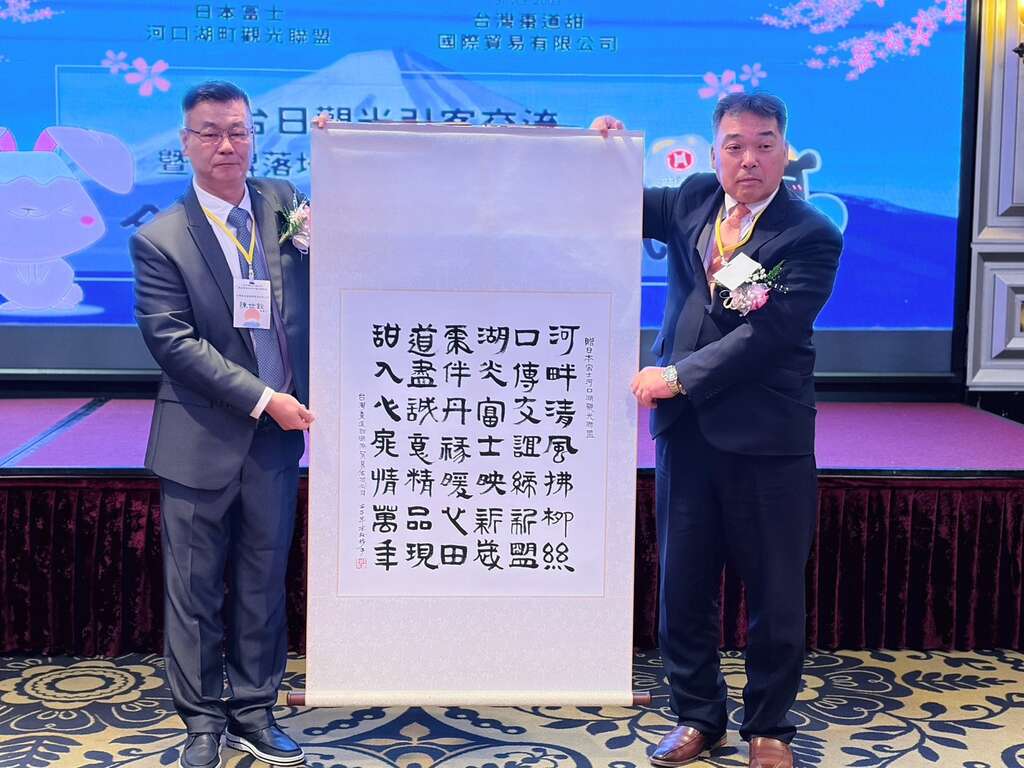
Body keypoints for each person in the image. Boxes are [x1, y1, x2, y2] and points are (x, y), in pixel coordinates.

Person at [592, 93, 842, 768]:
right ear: (715, 153)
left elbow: (768, 333)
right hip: (687, 435)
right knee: (683, 587)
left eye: (763, 144)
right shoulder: (694, 198)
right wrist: (603, 152)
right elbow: (611, 201)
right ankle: (698, 715)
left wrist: (678, 376)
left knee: (775, 595)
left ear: (784, 151)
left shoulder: (811, 234)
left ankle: (770, 728)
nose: (748, 159)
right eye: (735, 146)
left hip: (767, 438)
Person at [131, 81, 313, 768]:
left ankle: (255, 711)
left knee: (264, 582)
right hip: (200, 439)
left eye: (237, 130)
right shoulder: (160, 239)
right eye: (210, 132)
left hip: (274, 442)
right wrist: (265, 398)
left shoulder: (284, 203)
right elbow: (174, 343)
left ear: (253, 135)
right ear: (186, 143)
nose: (226, 145)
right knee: (195, 590)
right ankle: (202, 721)